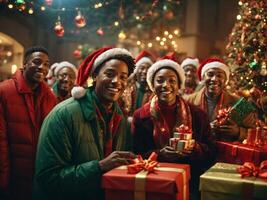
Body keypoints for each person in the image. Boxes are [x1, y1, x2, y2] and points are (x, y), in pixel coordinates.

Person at [34, 47, 136, 200]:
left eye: (123, 77)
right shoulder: (64, 114)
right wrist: (99, 167)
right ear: (95, 76)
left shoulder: (119, 117)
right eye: (109, 74)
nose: (117, 82)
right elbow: (48, 178)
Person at [132, 58, 215, 197]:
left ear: (178, 85)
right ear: (152, 84)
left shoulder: (198, 115)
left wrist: (194, 148)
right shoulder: (141, 116)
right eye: (160, 80)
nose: (166, 85)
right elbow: (136, 154)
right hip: (154, 183)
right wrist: (160, 154)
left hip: (190, 183)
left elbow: (212, 151)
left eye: (172, 80)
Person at [0, 46, 57, 200]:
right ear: (24, 64)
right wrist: (3, 179)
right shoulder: (4, 91)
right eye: (37, 62)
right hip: (12, 177)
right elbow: (1, 139)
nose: (42, 67)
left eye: (46, 64)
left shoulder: (50, 97)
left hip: (39, 176)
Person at [183, 58, 256, 141]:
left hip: (225, 152)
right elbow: (180, 128)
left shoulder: (239, 103)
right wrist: (205, 128)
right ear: (203, 78)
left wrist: (238, 132)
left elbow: (254, 133)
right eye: (210, 74)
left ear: (225, 81)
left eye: (219, 76)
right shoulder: (188, 101)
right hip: (197, 150)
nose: (214, 79)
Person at [119, 50, 154, 118]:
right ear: (136, 71)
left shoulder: (153, 92)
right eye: (142, 68)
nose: (145, 71)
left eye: (148, 68)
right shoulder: (125, 88)